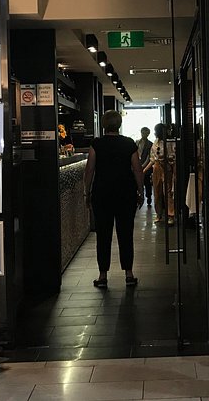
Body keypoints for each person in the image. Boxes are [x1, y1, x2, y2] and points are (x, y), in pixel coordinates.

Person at [84, 110, 145, 288]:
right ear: (119, 124)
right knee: (125, 233)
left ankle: (103, 275)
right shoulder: (129, 144)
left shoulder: (96, 144)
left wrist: (86, 192)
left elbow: (89, 170)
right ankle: (129, 274)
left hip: (102, 194)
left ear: (104, 124)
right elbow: (137, 169)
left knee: (103, 235)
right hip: (125, 194)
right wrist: (140, 191)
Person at [143, 123, 175, 225]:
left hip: (166, 166)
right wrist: (144, 170)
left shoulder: (170, 141)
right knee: (157, 191)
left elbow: (173, 157)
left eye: (156, 131)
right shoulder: (155, 142)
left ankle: (171, 215)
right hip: (157, 167)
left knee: (168, 192)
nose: (155, 133)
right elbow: (152, 159)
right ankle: (159, 214)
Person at [136, 127, 154, 207]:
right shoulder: (137, 142)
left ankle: (148, 197)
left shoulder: (150, 144)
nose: (144, 135)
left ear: (148, 134)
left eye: (146, 133)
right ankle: (138, 196)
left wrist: (143, 166)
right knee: (137, 181)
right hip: (137, 165)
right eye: (143, 133)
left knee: (147, 183)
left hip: (146, 166)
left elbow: (149, 157)